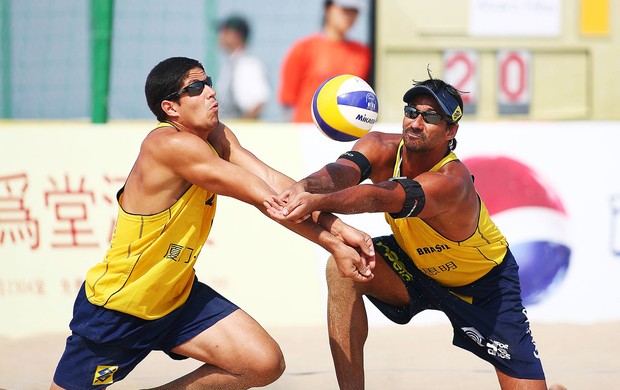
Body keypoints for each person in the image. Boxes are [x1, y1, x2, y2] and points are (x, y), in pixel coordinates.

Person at [49, 56, 374, 390]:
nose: (211, 92)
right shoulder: (169, 146)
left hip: (177, 297)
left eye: (209, 81)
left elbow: (272, 180)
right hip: (122, 306)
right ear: (170, 108)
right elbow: (265, 197)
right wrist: (332, 243)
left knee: (262, 363)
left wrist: (341, 228)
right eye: (195, 87)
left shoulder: (215, 134)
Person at [265, 73, 554, 389]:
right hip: (414, 266)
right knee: (340, 266)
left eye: (430, 116)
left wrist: (317, 200)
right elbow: (338, 174)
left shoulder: (452, 182)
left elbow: (383, 196)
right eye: (411, 111)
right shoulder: (379, 146)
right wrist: (305, 187)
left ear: (451, 130)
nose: (416, 122)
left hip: (485, 287)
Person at [278, 0, 372, 122]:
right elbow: (287, 100)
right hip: (307, 131)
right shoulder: (303, 48)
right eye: (344, 9)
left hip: (347, 133)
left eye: (354, 10)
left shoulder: (363, 53)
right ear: (328, 8)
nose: (349, 15)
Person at [217, 15, 270, 120]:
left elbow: (259, 102)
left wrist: (242, 126)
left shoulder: (248, 64)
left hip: (241, 130)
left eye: (225, 32)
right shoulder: (231, 64)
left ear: (236, 36)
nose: (220, 36)